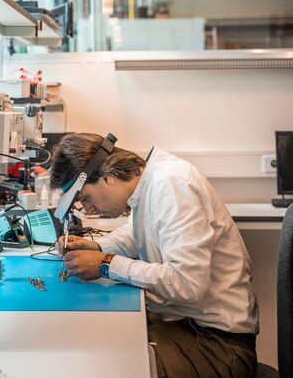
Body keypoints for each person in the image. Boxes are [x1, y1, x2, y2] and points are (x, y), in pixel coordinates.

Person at [50, 133, 259, 378]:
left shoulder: (171, 184)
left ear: (107, 178)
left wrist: (106, 264)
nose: (88, 209)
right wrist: (96, 246)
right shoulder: (150, 183)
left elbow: (189, 284)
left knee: (102, 366)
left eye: (85, 198)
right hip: (183, 325)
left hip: (218, 345)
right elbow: (137, 234)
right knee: (93, 341)